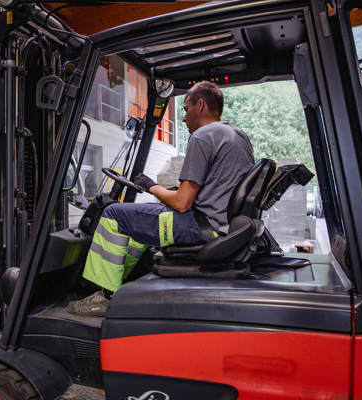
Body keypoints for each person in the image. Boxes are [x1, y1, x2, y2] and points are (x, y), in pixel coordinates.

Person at [67, 81, 254, 317]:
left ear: (201, 105)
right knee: (137, 224)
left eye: (186, 109)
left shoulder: (203, 136)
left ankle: (103, 298)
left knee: (114, 214)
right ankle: (122, 282)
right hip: (220, 225)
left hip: (199, 227)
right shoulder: (237, 136)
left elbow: (181, 203)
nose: (184, 118)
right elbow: (214, 187)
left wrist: (150, 185)